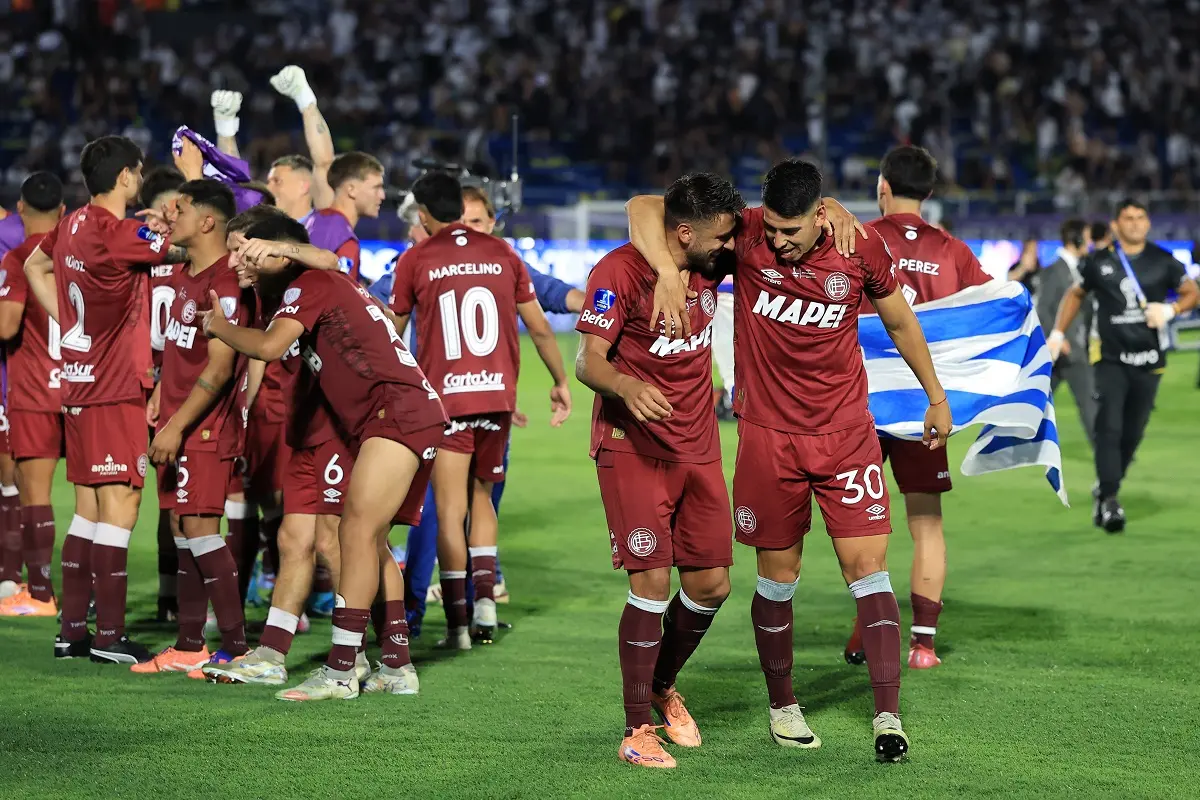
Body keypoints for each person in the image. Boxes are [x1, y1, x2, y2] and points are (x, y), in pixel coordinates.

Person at [628, 159, 951, 763]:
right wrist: (665, 276)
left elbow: (900, 319)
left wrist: (935, 395)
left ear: (821, 212)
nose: (777, 241)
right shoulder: (747, 235)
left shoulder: (861, 246)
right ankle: (783, 705)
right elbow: (643, 208)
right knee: (778, 579)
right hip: (769, 439)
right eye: (771, 228)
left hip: (847, 436)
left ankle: (888, 716)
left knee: (870, 571)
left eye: (790, 231)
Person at [202, 215, 446, 701]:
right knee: (367, 538)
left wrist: (220, 327)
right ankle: (395, 666)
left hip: (394, 409)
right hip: (402, 410)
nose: (238, 262)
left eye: (245, 250)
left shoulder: (312, 282)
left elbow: (271, 346)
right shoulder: (314, 286)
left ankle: (340, 669)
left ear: (278, 249)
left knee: (353, 532)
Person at [577, 173, 741, 769]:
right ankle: (634, 729)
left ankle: (661, 683)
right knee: (649, 584)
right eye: (720, 237)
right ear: (685, 232)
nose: (731, 246)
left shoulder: (711, 262)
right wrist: (624, 383)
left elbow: (649, 204)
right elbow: (587, 361)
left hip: (697, 447)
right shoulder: (617, 273)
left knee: (711, 585)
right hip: (633, 447)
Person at [389, 171, 571, 648]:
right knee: (482, 499)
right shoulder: (502, 253)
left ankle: (456, 627)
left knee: (449, 512)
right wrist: (559, 381)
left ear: (424, 214)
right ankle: (486, 606)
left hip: (446, 400)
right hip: (496, 397)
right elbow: (542, 328)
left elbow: (392, 332)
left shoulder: (417, 258)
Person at [23, 135, 185, 664]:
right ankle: (110, 636)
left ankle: (72, 632)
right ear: (125, 178)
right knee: (122, 504)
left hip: (76, 380)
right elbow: (188, 249)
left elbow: (33, 270)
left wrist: (70, 324)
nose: (139, 180)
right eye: (137, 173)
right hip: (114, 387)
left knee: (88, 510)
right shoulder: (119, 234)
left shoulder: (69, 226)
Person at [842, 145, 993, 671]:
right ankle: (923, 644)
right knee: (926, 522)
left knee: (865, 519)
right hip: (924, 405)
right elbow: (987, 313)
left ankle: (870, 626)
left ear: (882, 186)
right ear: (929, 193)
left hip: (857, 401)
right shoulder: (954, 252)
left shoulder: (855, 237)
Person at [132, 180, 253, 676]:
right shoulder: (186, 274)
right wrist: (162, 390)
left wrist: (176, 427)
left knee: (201, 527)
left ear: (207, 222)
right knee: (184, 528)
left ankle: (237, 648)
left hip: (203, 426)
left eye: (180, 209)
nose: (170, 215)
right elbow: (185, 352)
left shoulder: (224, 281)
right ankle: (187, 644)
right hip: (177, 418)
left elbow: (221, 369)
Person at [1049, 199, 1199, 532]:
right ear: (1116, 225)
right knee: (1109, 427)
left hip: (1149, 362)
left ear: (1148, 224)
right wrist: (1058, 332)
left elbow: (1192, 292)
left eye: (1140, 217)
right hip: (1109, 360)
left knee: (1132, 434)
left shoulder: (1164, 261)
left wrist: (1171, 311)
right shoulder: (1100, 261)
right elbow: (1075, 295)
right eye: (1127, 218)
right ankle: (1111, 500)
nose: (1134, 223)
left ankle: (1105, 485)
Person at [0, 172, 65, 616]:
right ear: (63, 211)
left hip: (35, 390)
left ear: (20, 208)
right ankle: (87, 591)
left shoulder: (21, 257)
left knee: (34, 494)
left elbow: (6, 326)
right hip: (82, 387)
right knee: (97, 499)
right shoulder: (80, 254)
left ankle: (39, 593)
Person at [139, 165, 188, 621]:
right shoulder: (140, 254)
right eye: (167, 208)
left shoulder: (193, 259)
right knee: (122, 495)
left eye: (181, 208)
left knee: (177, 500)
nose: (174, 217)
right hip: (138, 390)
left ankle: (174, 598)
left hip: (177, 390)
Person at [1036, 219, 1097, 446]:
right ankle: (1106, 452)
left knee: (1038, 399)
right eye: (1087, 237)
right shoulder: (1054, 271)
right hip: (1065, 347)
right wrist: (1056, 337)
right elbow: (1043, 308)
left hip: (1074, 346)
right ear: (1077, 239)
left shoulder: (1081, 269)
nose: (1089, 243)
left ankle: (1015, 439)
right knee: (1089, 400)